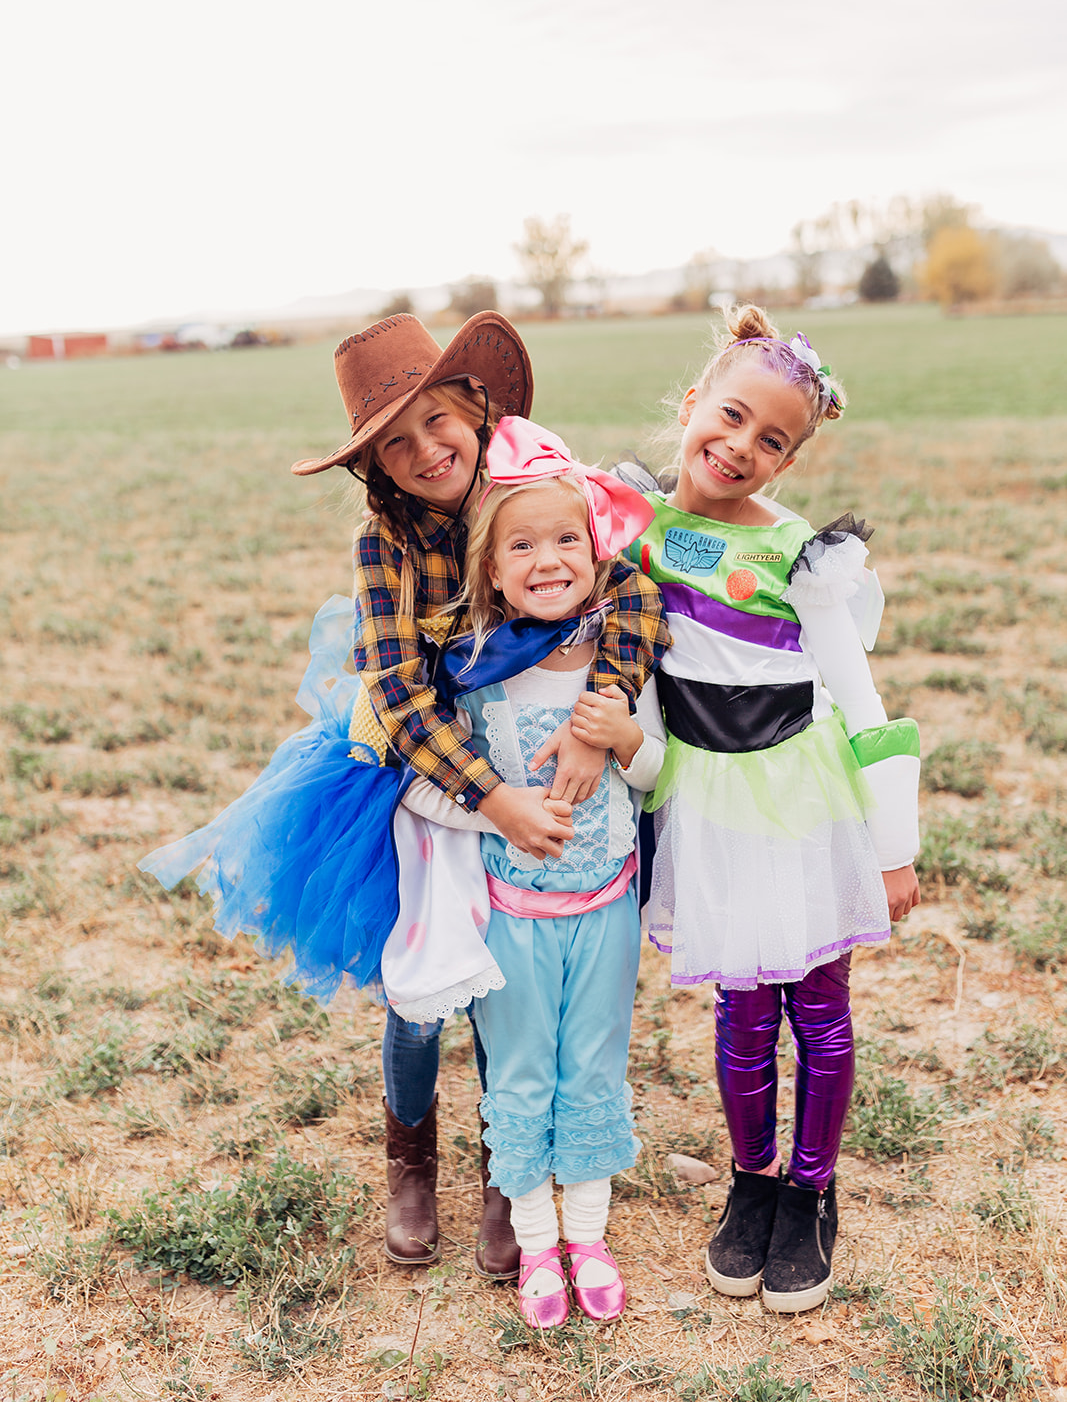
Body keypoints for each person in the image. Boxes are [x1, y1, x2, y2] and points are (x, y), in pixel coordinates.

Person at [141, 311, 670, 1282]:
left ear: (474, 405)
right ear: (373, 466)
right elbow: (400, 696)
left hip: (537, 749)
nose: (427, 449)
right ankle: (410, 1162)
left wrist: (605, 700)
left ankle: (508, 1172)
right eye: (396, 441)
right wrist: (493, 801)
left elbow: (632, 592)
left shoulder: (540, 489)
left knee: (506, 979)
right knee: (424, 981)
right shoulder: (383, 545)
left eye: (437, 420)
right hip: (422, 778)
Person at [619, 305, 920, 1315]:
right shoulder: (633, 527)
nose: (740, 447)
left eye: (772, 439)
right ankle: (749, 1186)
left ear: (788, 460)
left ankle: (810, 1191)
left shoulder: (802, 557)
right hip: (703, 800)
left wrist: (892, 848)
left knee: (817, 1006)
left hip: (802, 798)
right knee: (741, 1006)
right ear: (693, 400)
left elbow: (863, 701)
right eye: (731, 416)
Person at [401, 416, 667, 1328]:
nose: (547, 558)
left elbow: (657, 772)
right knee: (518, 1076)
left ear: (596, 550)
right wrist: (497, 803)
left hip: (605, 910)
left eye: (566, 538)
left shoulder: (623, 661)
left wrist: (619, 735)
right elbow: (426, 792)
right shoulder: (475, 674)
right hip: (509, 916)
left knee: (591, 1066)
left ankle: (586, 1236)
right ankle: (534, 1244)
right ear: (491, 568)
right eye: (522, 544)